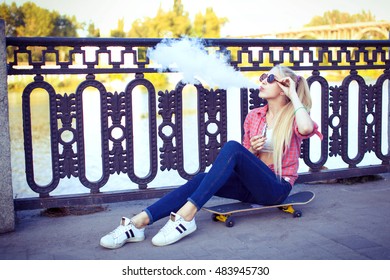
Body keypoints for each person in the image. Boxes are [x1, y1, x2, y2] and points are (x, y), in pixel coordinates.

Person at [100, 64, 323, 249]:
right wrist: (253, 151)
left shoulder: (295, 116)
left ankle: (186, 216)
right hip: (250, 187)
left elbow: (305, 129)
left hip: (275, 189)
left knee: (233, 147)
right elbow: (241, 160)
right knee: (201, 178)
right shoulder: (254, 116)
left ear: (284, 88)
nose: (263, 80)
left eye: (271, 78)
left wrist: (294, 94)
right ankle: (139, 223)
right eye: (263, 76)